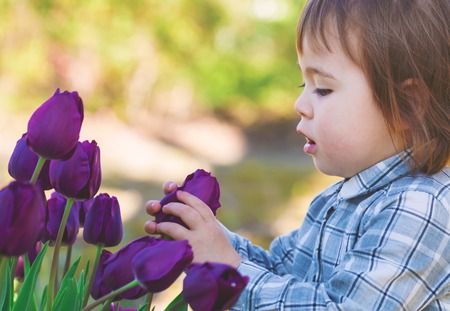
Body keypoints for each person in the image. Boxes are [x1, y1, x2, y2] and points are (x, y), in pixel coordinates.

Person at [144, 0, 450, 309]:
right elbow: (280, 271)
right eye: (304, 83)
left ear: (408, 105)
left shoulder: (420, 208)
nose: (299, 104)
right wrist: (204, 235)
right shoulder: (340, 199)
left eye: (323, 88)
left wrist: (228, 267)